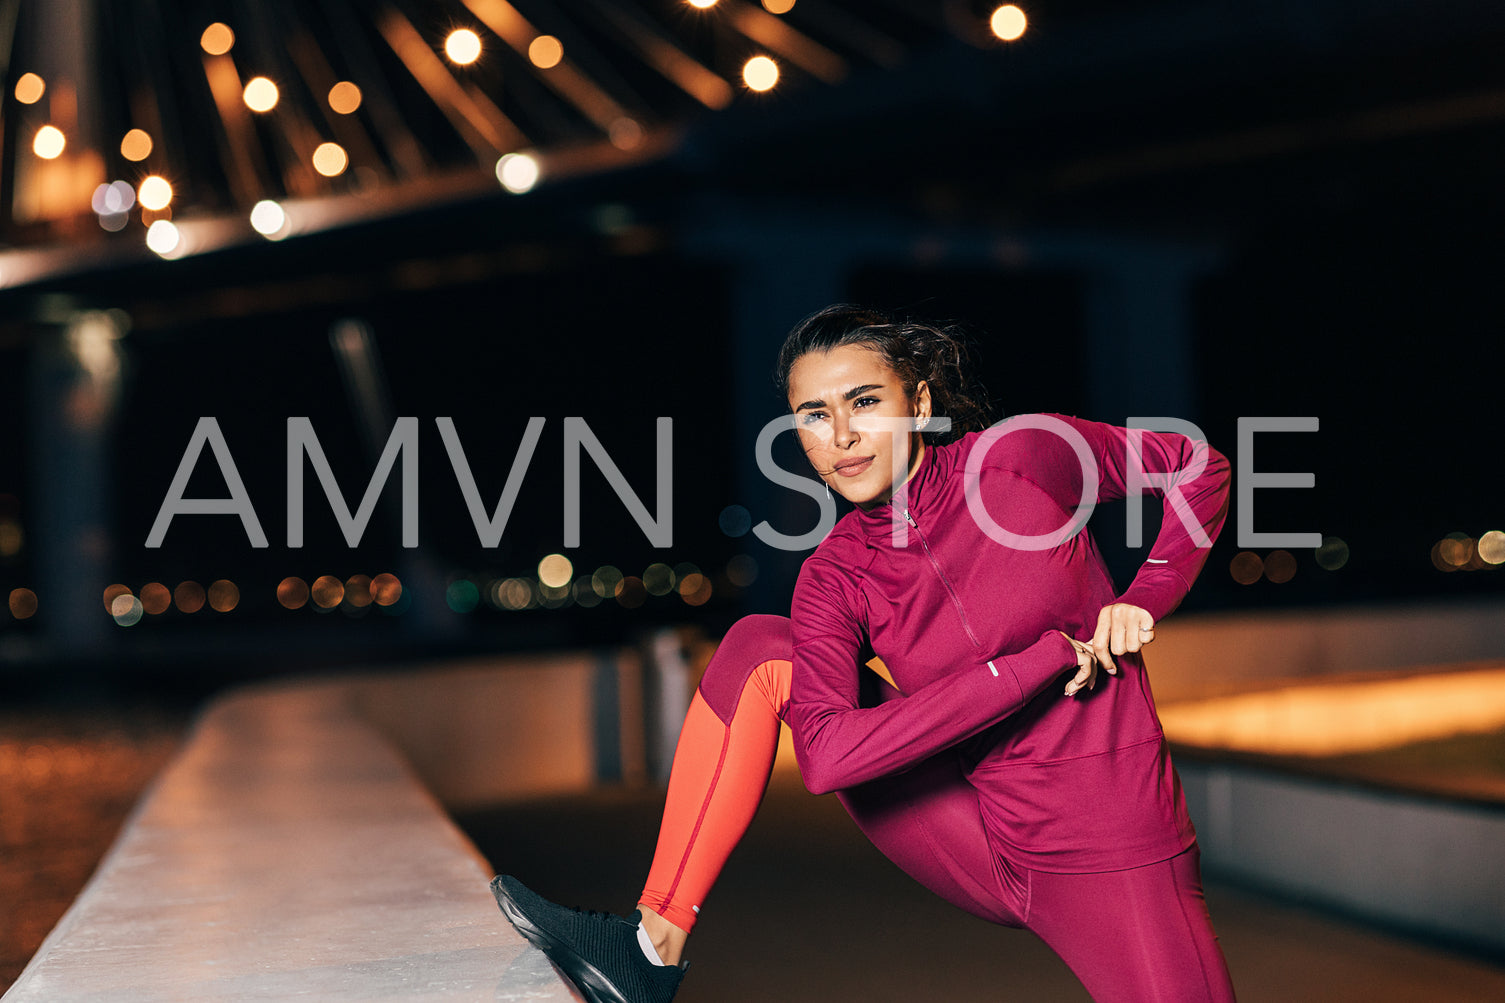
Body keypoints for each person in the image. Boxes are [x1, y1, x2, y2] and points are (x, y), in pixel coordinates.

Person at [492, 303, 1237, 1003]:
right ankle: (650, 944)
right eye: (813, 415)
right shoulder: (835, 572)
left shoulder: (1023, 460)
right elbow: (825, 758)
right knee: (759, 647)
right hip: (974, 835)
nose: (840, 436)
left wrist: (1144, 595)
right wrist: (1029, 665)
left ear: (916, 403)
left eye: (863, 402)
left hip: (1112, 847)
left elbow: (1197, 466)